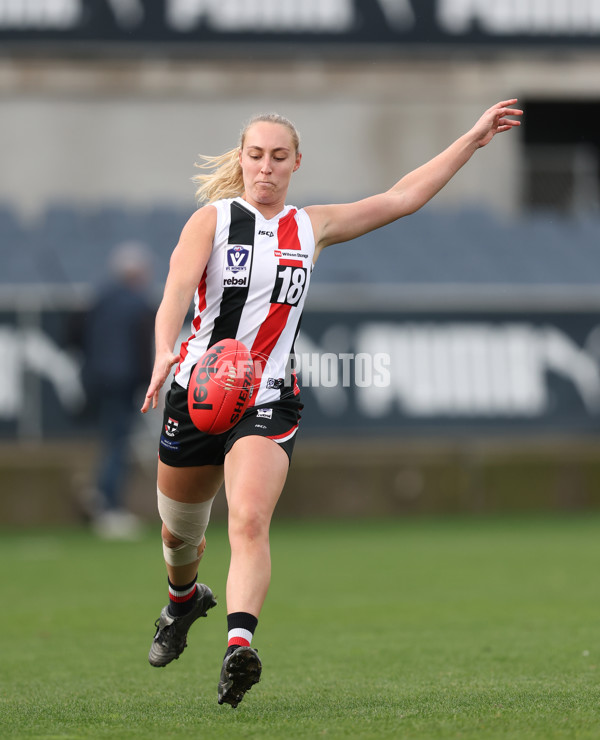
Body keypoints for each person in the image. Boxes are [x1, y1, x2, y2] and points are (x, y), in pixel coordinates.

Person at [141, 100, 522, 707]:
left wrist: (472, 140)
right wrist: (164, 351)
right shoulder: (210, 222)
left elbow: (401, 198)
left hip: (266, 400)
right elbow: (174, 296)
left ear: (296, 163)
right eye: (256, 155)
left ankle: (240, 645)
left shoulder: (311, 226)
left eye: (279, 157)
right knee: (179, 538)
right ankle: (183, 603)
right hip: (197, 392)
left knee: (248, 520)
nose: (266, 167)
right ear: (242, 160)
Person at [81, 241, 155, 539]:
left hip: (97, 379)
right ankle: (107, 506)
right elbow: (143, 349)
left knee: (112, 441)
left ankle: (101, 497)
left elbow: (75, 333)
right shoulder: (140, 304)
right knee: (118, 445)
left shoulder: (100, 299)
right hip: (123, 382)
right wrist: (148, 382)